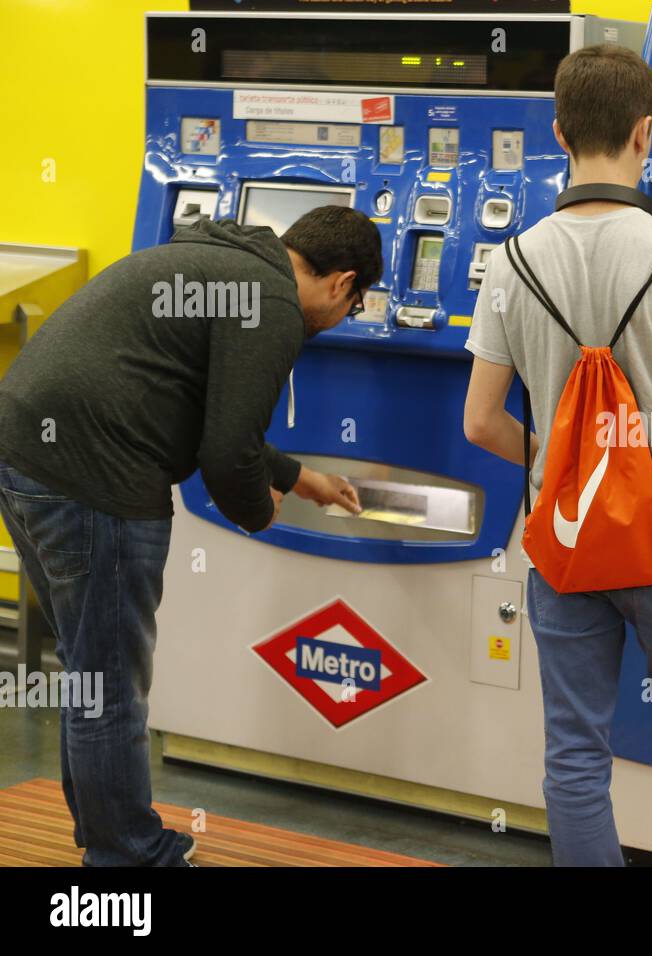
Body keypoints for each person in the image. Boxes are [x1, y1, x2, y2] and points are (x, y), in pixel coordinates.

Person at [0, 205, 380, 865]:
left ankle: (105, 830)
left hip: (24, 456)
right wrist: (261, 512)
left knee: (90, 666)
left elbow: (194, 402)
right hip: (98, 478)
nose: (336, 322)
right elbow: (227, 451)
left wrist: (298, 476)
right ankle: (127, 854)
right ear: (344, 282)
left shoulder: (225, 263)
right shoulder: (273, 302)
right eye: (351, 307)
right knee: (109, 677)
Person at [463, 44, 652, 866]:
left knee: (575, 753)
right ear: (643, 132)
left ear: (558, 132)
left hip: (565, 546)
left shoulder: (512, 262)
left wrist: (560, 462)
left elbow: (480, 422)